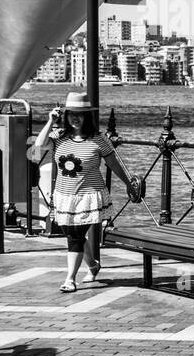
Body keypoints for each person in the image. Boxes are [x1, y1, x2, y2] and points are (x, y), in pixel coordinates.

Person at [28, 92, 132, 292]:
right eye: (71, 114)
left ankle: (70, 279)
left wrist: (128, 182)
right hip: (64, 196)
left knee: (74, 236)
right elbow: (39, 145)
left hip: (88, 196)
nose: (75, 118)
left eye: (80, 114)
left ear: (88, 117)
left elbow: (113, 163)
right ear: (65, 116)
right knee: (72, 233)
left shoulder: (99, 139)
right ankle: (93, 265)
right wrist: (51, 121)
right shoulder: (59, 137)